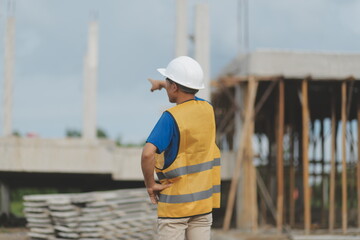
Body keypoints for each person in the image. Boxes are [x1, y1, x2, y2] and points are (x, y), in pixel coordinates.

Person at [141, 56, 221, 240]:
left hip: (175, 209)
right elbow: (188, 93)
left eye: (168, 82)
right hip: (202, 204)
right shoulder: (207, 109)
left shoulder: (170, 118)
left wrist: (150, 185)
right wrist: (163, 84)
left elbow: (147, 155)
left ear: (174, 87)